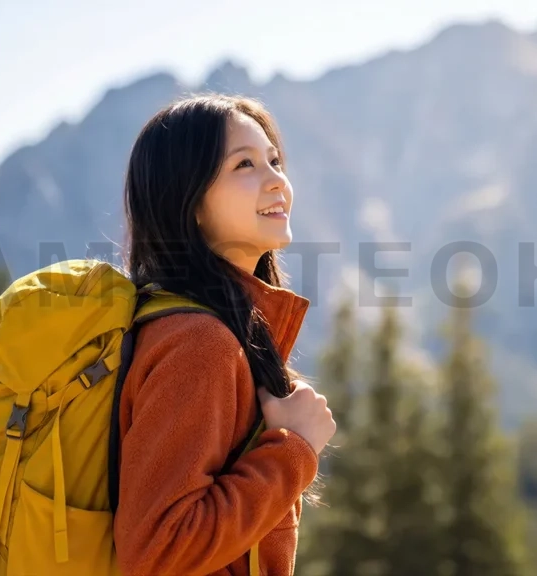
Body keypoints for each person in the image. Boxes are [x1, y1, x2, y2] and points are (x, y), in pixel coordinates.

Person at [113, 94, 336, 575]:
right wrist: (293, 446)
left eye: (274, 160)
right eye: (245, 165)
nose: (277, 179)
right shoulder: (199, 343)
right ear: (189, 203)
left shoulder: (201, 329)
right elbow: (156, 553)